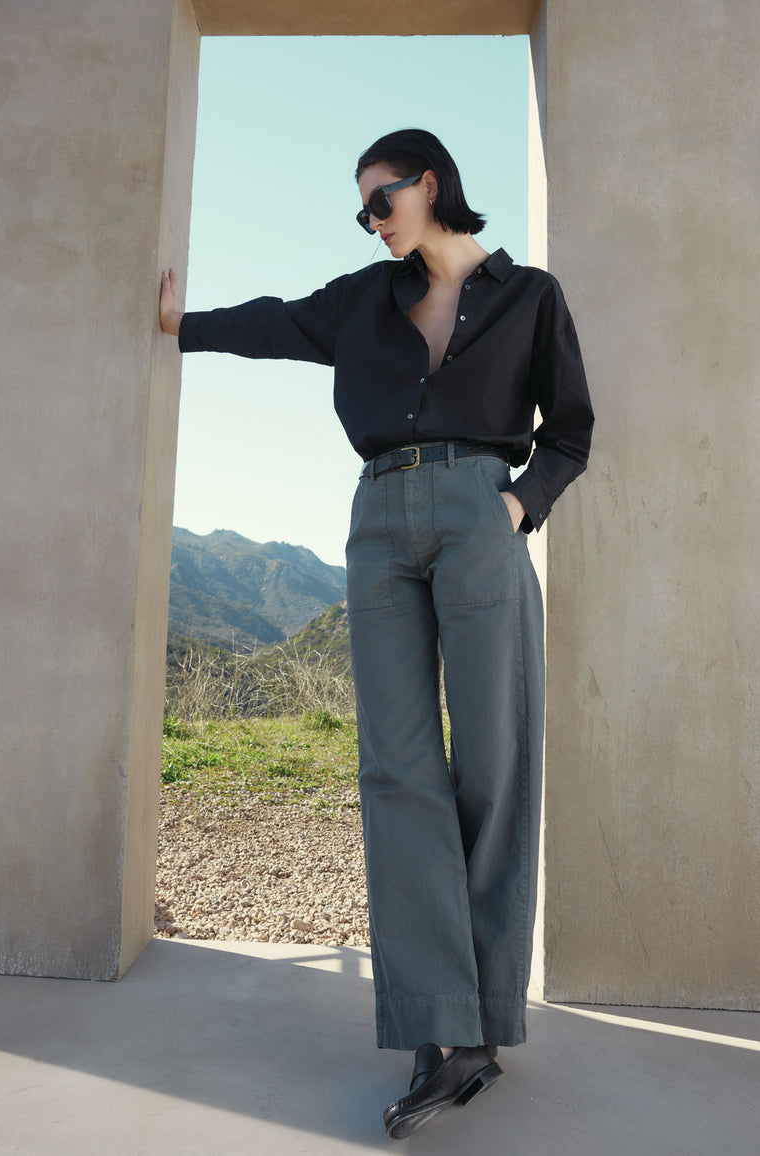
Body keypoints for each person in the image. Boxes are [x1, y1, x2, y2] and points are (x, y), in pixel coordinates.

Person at [159, 129, 593, 1140]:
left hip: (483, 512)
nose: (371, 218)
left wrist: (520, 507)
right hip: (378, 521)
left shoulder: (530, 295)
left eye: (380, 197)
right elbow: (269, 321)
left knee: (491, 763)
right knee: (397, 770)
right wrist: (181, 323)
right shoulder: (364, 296)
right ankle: (434, 1035)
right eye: (362, 208)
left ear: (428, 183)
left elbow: (569, 428)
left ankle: (484, 1024)